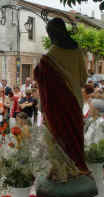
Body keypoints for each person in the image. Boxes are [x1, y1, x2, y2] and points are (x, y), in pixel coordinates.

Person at [34, 17, 89, 181]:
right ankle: (77, 169)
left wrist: (42, 109)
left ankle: (61, 172)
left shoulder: (48, 57)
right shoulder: (77, 50)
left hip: (56, 107)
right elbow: (83, 80)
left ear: (52, 34)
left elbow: (43, 86)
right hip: (75, 103)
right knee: (75, 139)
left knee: (59, 139)